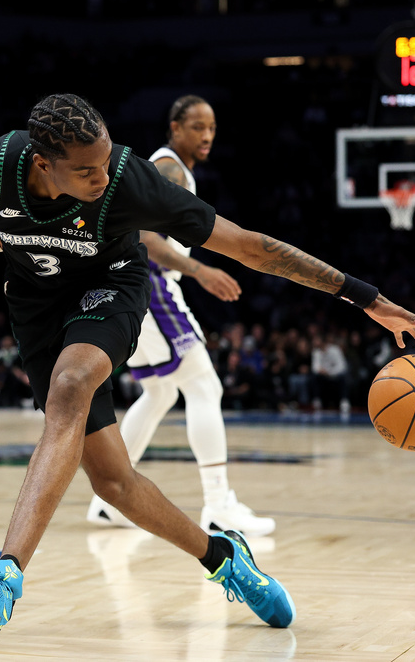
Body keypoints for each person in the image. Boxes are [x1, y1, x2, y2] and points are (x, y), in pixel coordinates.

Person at [0, 93, 415, 654]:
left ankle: (6, 574)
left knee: (70, 389)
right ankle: (225, 557)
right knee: (115, 482)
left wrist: (365, 297)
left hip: (112, 291)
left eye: (103, 166)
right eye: (85, 171)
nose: (101, 178)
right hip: (35, 309)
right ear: (42, 163)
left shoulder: (129, 179)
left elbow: (250, 247)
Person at [84, 95, 274, 536]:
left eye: (211, 127)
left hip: (128, 285)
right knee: (204, 385)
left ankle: (109, 498)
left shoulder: (170, 167)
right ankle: (218, 505)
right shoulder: (169, 169)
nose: (206, 135)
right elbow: (146, 236)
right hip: (150, 285)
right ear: (175, 128)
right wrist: (200, 269)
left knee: (160, 392)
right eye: (197, 127)